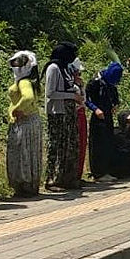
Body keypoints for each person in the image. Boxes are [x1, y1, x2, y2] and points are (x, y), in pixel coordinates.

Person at [44, 42, 83, 191]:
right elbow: (50, 93)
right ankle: (52, 180)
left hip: (68, 113)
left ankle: (67, 178)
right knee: (56, 146)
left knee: (69, 146)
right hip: (57, 113)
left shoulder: (65, 69)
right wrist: (71, 96)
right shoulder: (53, 68)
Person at [6, 51, 43, 197]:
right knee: (30, 153)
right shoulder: (31, 81)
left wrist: (16, 109)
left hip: (24, 122)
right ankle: (30, 185)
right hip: (32, 120)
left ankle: (24, 185)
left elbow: (28, 97)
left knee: (22, 154)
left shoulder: (23, 82)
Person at [86, 61, 124, 181]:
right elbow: (86, 99)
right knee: (97, 145)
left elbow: (115, 98)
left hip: (108, 116)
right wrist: (95, 109)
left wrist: (115, 105)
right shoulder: (95, 82)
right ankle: (98, 172)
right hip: (98, 117)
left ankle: (107, 170)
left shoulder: (111, 84)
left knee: (108, 143)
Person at [69, 58, 90, 183]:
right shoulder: (69, 84)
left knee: (82, 143)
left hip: (81, 113)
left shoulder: (80, 84)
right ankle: (73, 174)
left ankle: (79, 174)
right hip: (74, 113)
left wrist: (81, 86)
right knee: (75, 144)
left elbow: (84, 99)